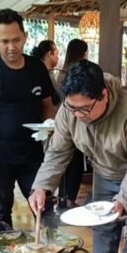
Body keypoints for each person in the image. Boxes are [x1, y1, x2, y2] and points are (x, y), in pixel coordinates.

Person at [29, 60, 127, 253]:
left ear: (103, 95)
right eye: (71, 107)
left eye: (84, 109)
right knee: (102, 231)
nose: (77, 115)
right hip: (106, 170)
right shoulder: (70, 113)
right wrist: (41, 186)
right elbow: (57, 153)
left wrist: (124, 200)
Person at [0, 9, 56, 228]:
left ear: (25, 36)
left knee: (43, 206)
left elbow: (47, 106)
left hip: (32, 154)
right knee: (0, 212)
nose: (11, 47)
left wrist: (51, 131)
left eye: (16, 40)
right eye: (4, 41)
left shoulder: (37, 67)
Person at [55, 39, 89, 209]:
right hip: (75, 125)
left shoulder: (61, 74)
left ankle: (63, 198)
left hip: (63, 123)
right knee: (74, 164)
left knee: (64, 161)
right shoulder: (81, 74)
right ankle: (69, 199)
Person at [31, 40, 61, 104]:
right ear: (50, 53)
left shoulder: (34, 71)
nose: (58, 57)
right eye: (57, 53)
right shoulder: (43, 74)